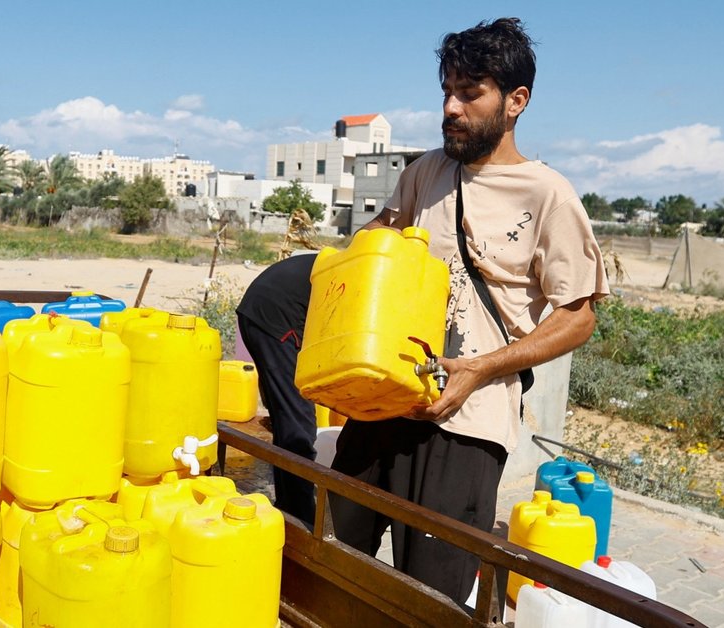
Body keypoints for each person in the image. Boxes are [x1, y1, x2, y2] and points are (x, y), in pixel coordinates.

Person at [328, 17, 610, 603]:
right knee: (332, 568)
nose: (451, 107)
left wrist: (481, 368)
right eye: (446, 92)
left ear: (516, 101)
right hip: (382, 401)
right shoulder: (426, 172)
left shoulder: (548, 195)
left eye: (470, 92)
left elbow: (577, 315)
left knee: (431, 599)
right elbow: (375, 256)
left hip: (467, 426)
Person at [235, 252, 318, 525]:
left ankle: (289, 501)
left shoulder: (359, 265)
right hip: (277, 314)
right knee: (298, 416)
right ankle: (300, 513)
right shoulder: (369, 277)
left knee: (286, 413)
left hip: (258, 308)